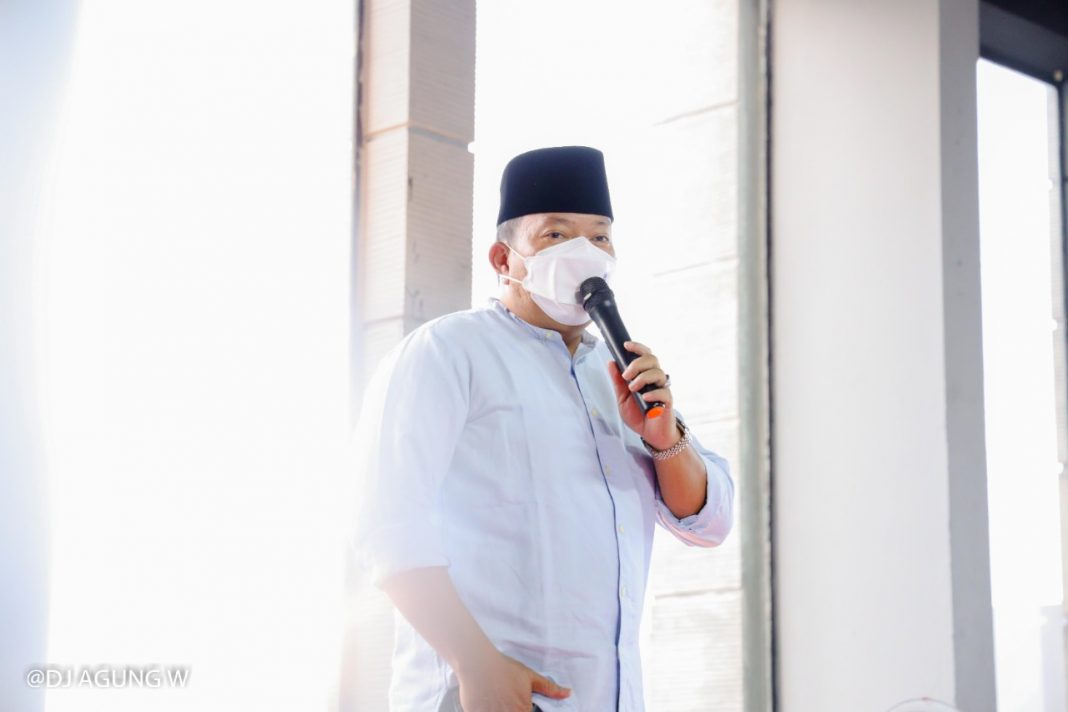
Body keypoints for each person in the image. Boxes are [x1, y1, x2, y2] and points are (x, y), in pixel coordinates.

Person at [348, 145, 735, 711]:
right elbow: (387, 524)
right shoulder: (448, 352)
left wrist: (664, 440)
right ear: (504, 259)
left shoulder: (621, 375)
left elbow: (711, 521)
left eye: (600, 237)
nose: (585, 252)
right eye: (557, 235)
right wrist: (475, 663)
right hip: (481, 694)